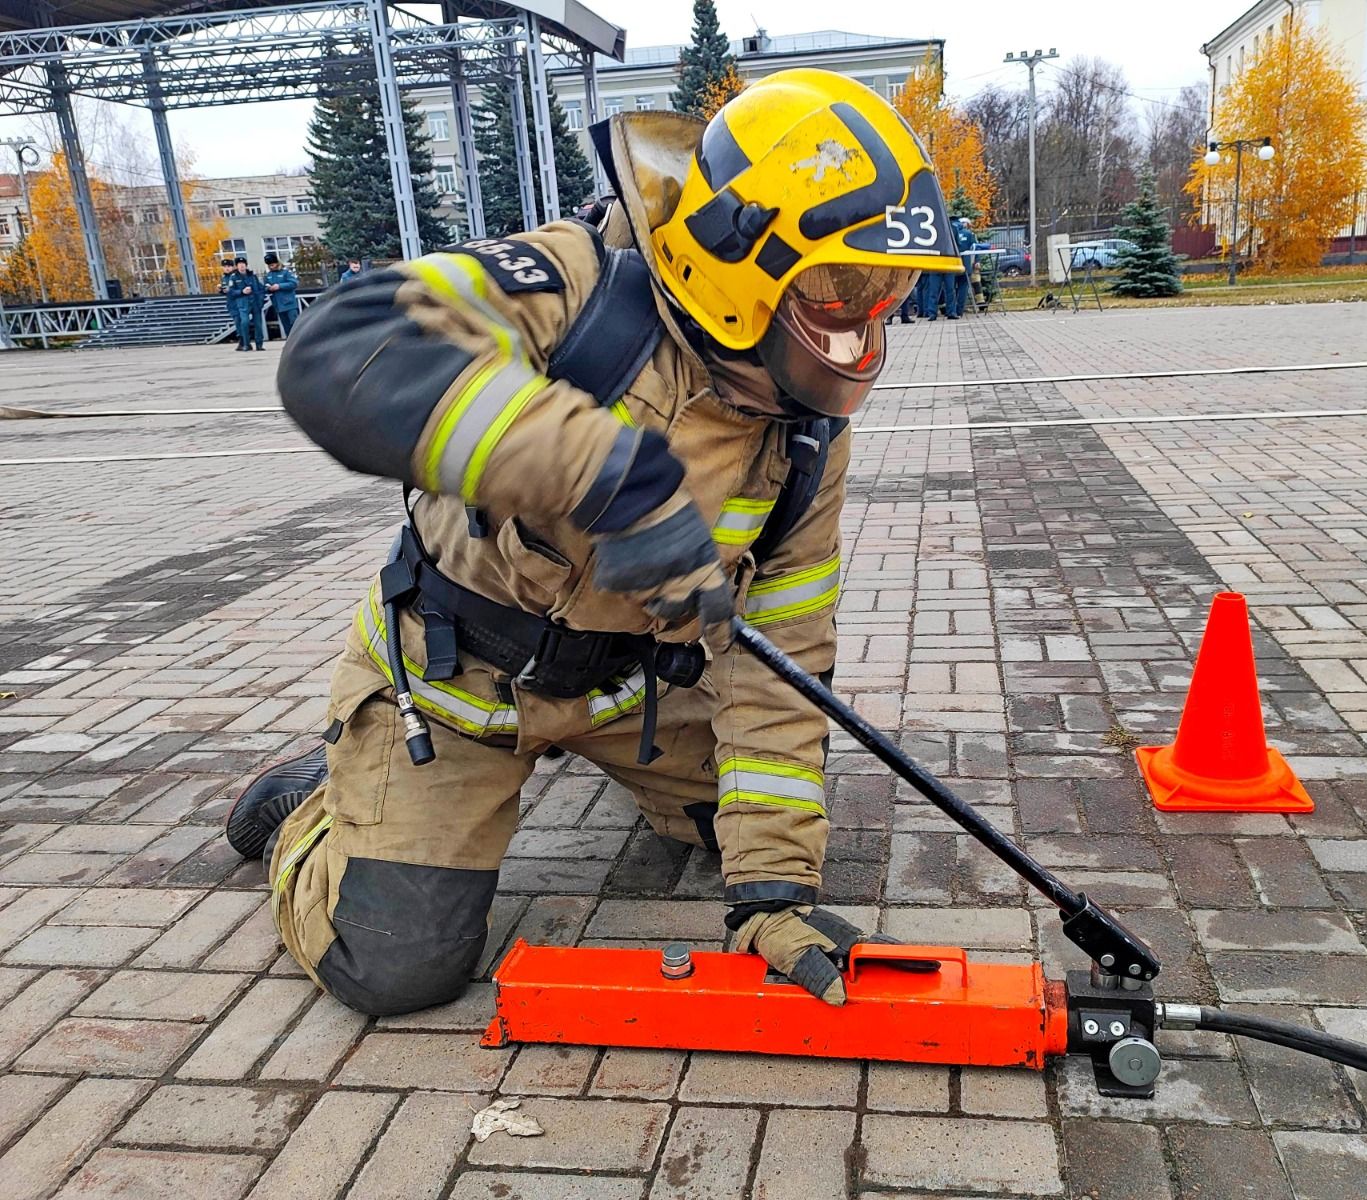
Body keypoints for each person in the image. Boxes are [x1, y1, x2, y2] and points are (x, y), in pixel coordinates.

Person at [225, 68, 963, 1017]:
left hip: (634, 690)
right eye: (840, 285)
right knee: (393, 968)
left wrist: (775, 892)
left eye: (888, 289)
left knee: (736, 831)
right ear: (743, 260)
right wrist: (605, 478)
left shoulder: (808, 426)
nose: (864, 324)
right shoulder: (579, 284)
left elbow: (784, 658)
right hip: (455, 686)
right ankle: (317, 808)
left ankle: (614, 767)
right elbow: (349, 349)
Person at [225, 256, 265, 352]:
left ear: (246, 265)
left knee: (258, 324)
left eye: (243, 264)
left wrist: (261, 299)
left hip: (255, 302)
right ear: (237, 266)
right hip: (243, 303)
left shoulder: (253, 276)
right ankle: (246, 344)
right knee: (245, 323)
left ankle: (259, 344)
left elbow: (260, 288)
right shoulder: (233, 277)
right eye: (239, 264)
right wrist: (242, 292)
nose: (242, 266)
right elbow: (231, 292)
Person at [263, 252, 300, 339]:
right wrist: (268, 288)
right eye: (269, 265)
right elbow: (264, 287)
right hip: (278, 305)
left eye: (272, 264)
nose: (271, 266)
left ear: (277, 263)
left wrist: (279, 286)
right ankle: (290, 342)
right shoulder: (268, 276)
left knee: (294, 324)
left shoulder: (286, 272)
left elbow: (294, 283)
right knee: (286, 326)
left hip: (289, 304)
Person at [951, 217, 977, 317]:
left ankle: (951, 310)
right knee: (963, 287)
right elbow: (975, 248)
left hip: (953, 264)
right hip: (965, 265)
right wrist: (976, 261)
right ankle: (959, 310)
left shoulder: (950, 233)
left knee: (951, 288)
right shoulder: (969, 234)